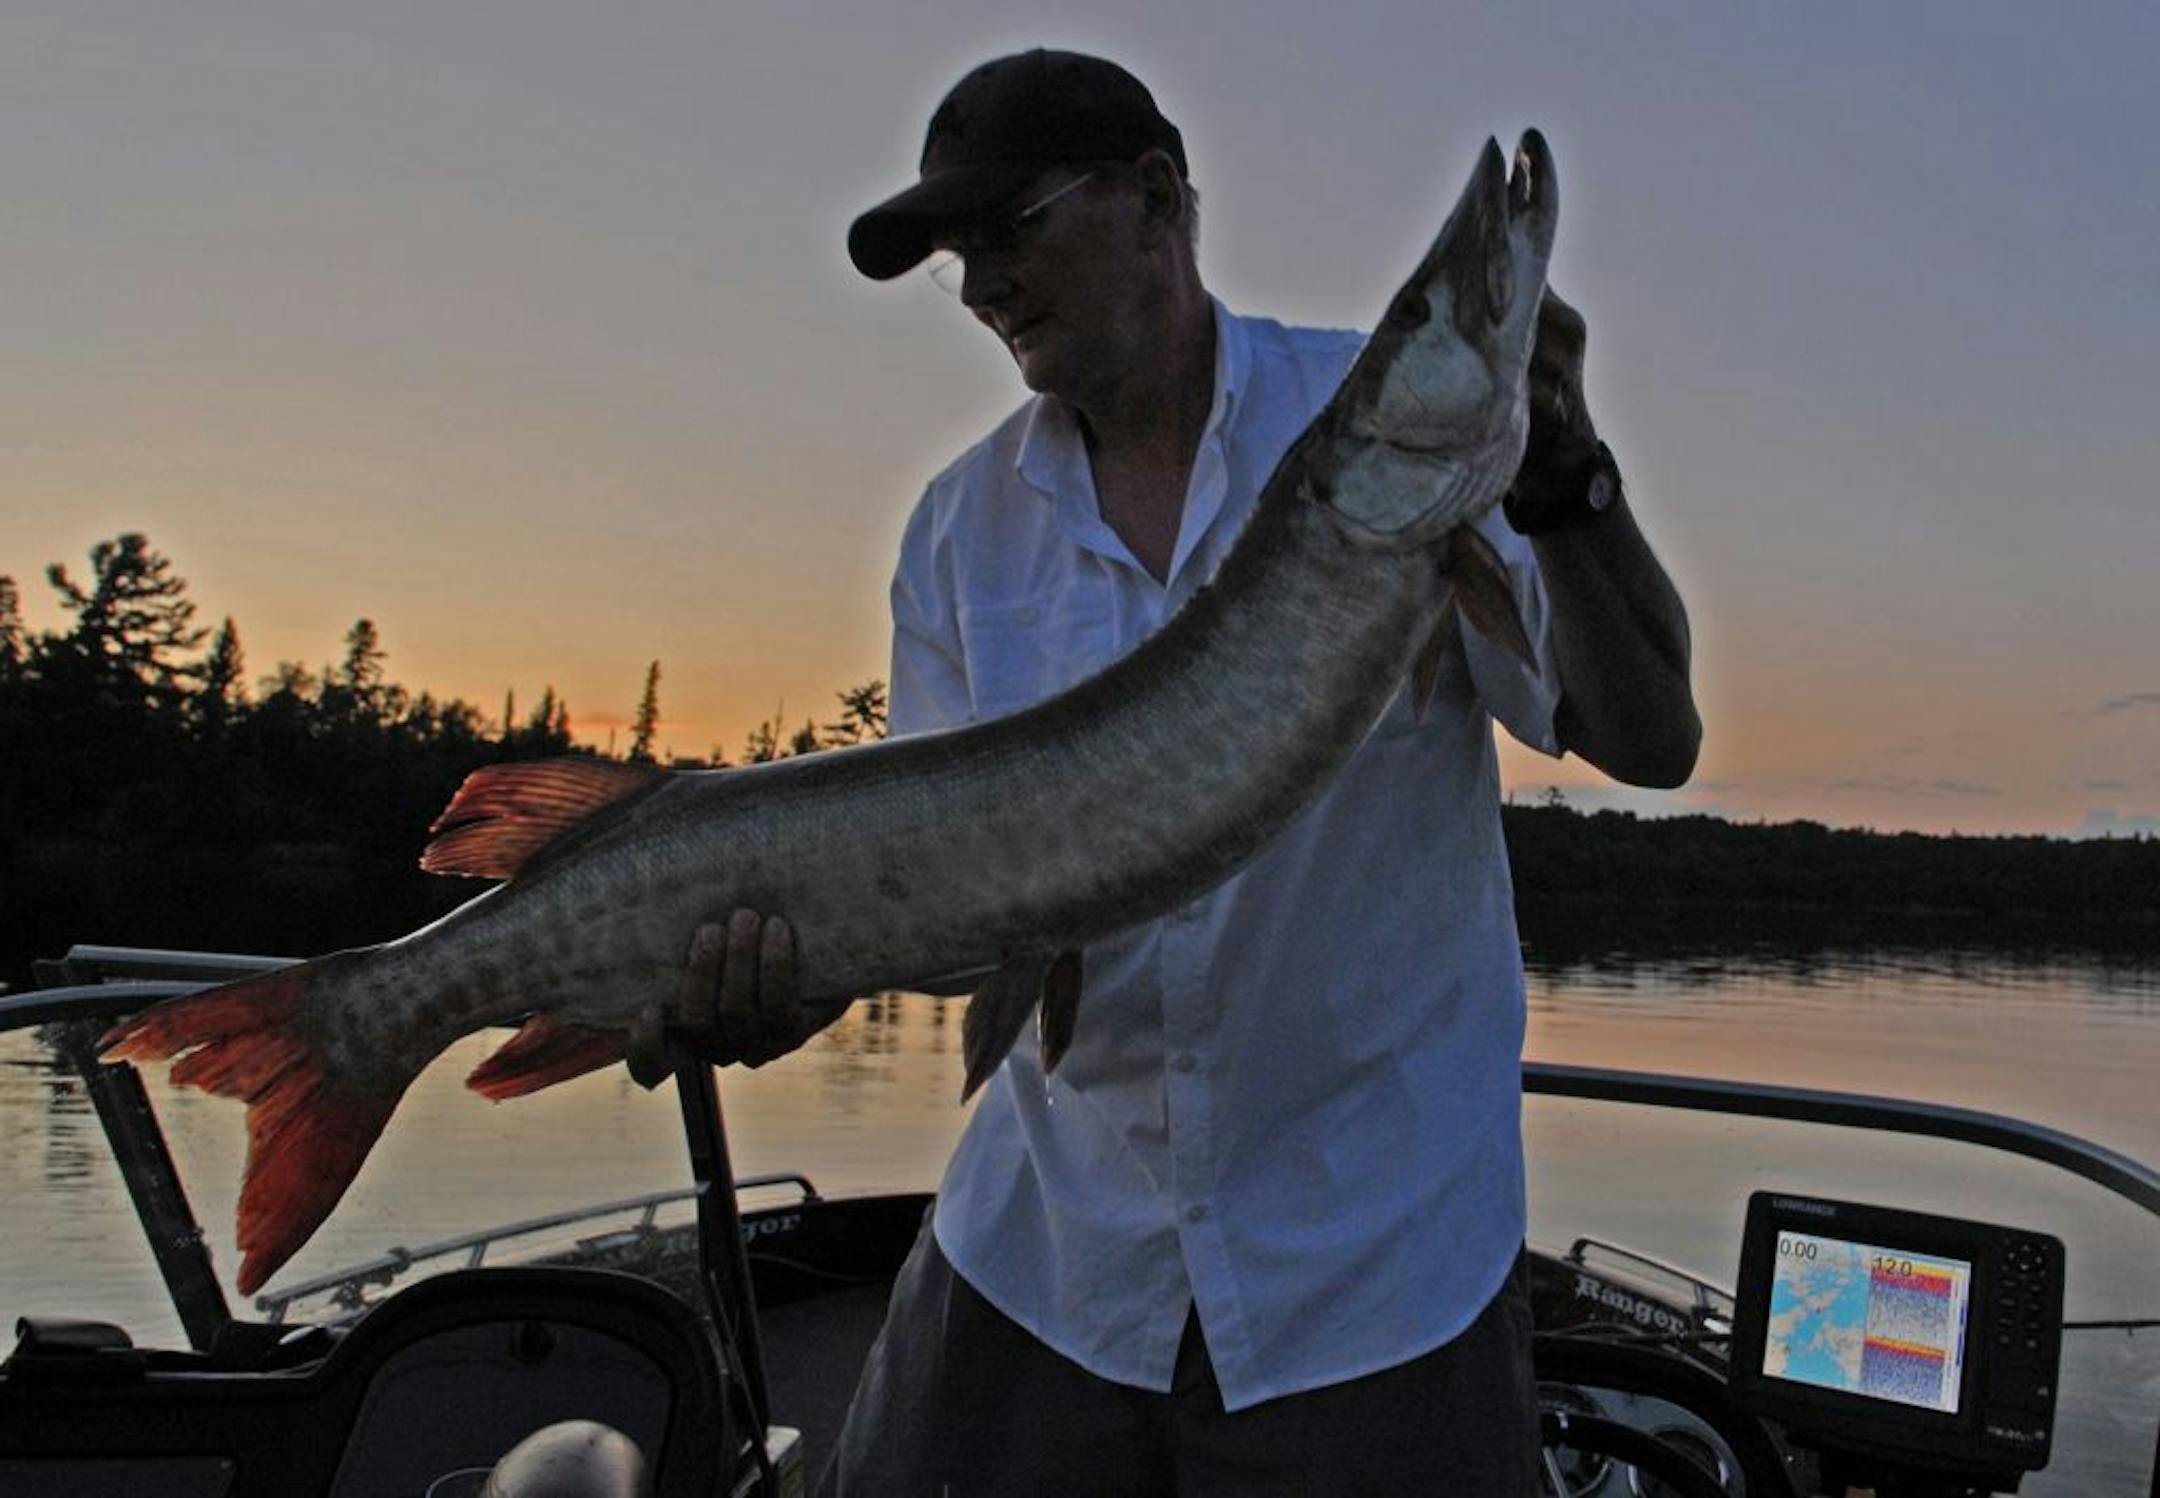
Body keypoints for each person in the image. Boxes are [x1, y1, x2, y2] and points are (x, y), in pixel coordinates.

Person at [637, 48, 1700, 1495]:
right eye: (959, 255)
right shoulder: (959, 532)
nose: (982, 283)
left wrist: (1564, 469)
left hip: (1370, 1269)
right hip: (1049, 1247)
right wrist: (788, 978)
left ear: (1157, 202)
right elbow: (953, 904)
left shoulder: (1387, 429)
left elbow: (1649, 738)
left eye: (1010, 228)